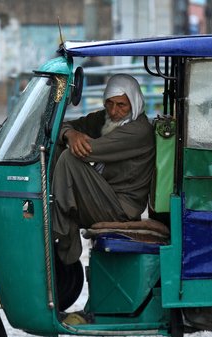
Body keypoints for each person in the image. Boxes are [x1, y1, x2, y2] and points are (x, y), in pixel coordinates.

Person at [52, 74, 155, 265]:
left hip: (120, 208)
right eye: (109, 103)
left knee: (68, 159)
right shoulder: (107, 118)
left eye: (121, 105)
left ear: (134, 102)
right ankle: (63, 228)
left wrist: (72, 138)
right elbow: (62, 126)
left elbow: (84, 151)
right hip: (102, 197)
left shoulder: (138, 131)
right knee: (57, 148)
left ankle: (57, 227)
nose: (114, 111)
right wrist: (69, 133)